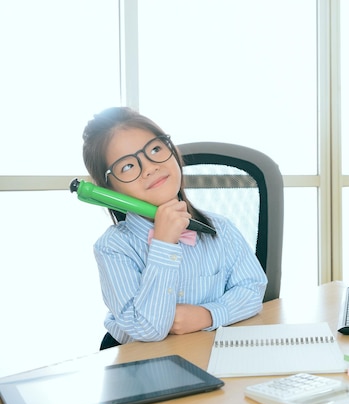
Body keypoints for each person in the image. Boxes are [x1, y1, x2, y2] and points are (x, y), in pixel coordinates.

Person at [82, 107, 267, 349]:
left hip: (204, 350)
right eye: (127, 166)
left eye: (156, 149)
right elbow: (147, 329)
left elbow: (252, 289)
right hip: (138, 365)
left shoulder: (221, 229)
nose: (149, 167)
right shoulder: (113, 248)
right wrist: (163, 244)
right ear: (110, 190)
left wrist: (208, 314)